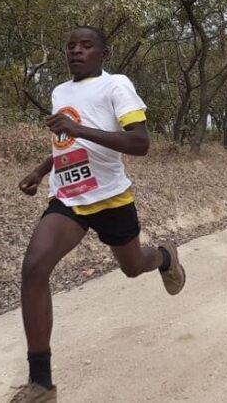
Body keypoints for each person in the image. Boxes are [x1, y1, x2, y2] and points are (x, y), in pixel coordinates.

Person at [12, 26, 185, 402]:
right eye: (71, 45)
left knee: (133, 266)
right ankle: (41, 384)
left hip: (110, 197)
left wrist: (78, 128)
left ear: (103, 54)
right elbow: (67, 141)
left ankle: (165, 257)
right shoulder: (61, 91)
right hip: (69, 198)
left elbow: (140, 144)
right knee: (34, 269)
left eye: (86, 45)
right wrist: (42, 171)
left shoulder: (116, 86)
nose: (76, 50)